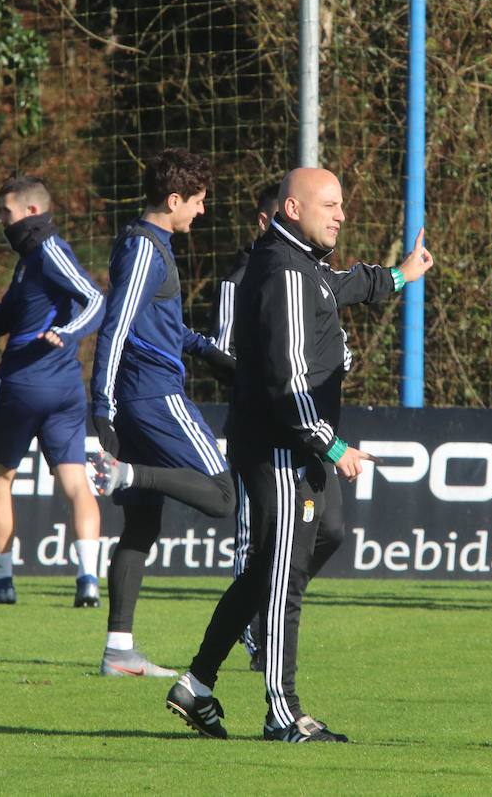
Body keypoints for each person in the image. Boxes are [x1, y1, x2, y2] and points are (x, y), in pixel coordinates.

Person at [165, 166, 431, 743]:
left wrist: (400, 277)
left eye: (342, 205)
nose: (341, 214)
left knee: (313, 541)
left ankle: (197, 684)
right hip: (283, 445)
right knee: (283, 576)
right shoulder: (283, 272)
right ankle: (283, 713)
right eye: (329, 205)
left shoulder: (303, 267)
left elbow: (342, 286)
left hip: (298, 446)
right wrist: (332, 445)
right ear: (292, 209)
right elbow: (286, 382)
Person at [89, 148, 238, 679]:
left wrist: (207, 351)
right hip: (152, 398)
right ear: (174, 200)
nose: (201, 211)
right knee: (224, 496)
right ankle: (128, 473)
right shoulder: (145, 251)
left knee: (141, 525)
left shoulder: (146, 241)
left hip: (140, 395)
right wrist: (101, 407)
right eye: (196, 202)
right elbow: (118, 324)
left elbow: (160, 326)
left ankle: (118, 652)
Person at [0, 174, 106, 609]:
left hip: (22, 383)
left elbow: (95, 300)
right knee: (76, 484)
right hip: (63, 389)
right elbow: (5, 321)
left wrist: (68, 331)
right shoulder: (30, 261)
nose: (2, 220)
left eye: (7, 212)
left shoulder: (48, 250)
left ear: (32, 212)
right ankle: (88, 582)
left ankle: (3, 581)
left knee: (0, 480)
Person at [208, 182, 280, 669]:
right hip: (253, 423)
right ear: (264, 221)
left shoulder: (303, 273)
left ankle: (269, 628)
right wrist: (264, 374)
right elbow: (219, 353)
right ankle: (253, 638)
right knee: (253, 531)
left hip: (295, 427)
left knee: (290, 533)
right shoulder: (237, 281)